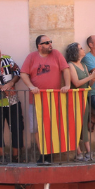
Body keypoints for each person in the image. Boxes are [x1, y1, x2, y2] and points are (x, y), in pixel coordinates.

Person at [20, 35, 71, 164]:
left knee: (52, 127)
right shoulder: (31, 57)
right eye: (47, 42)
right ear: (39, 46)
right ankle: (43, 153)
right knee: (37, 128)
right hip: (36, 100)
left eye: (50, 42)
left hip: (54, 99)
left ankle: (50, 154)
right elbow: (23, 73)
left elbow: (65, 69)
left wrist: (67, 85)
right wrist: (31, 86)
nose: (50, 44)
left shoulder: (56, 54)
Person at [65, 42, 95, 162]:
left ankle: (88, 151)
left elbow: (89, 84)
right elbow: (76, 83)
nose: (83, 50)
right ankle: (79, 152)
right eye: (81, 48)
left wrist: (94, 77)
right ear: (75, 52)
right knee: (74, 125)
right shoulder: (70, 65)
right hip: (74, 99)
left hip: (84, 98)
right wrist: (91, 77)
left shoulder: (84, 65)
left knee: (84, 125)